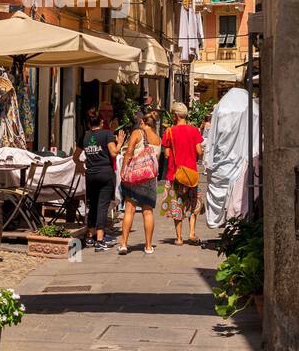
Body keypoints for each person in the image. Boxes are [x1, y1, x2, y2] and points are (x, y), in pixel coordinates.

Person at [203, 84, 260, 227]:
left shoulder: (223, 107)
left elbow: (213, 139)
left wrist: (209, 158)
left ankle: (226, 223)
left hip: (225, 163)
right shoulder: (253, 109)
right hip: (245, 161)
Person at [74, 109, 122, 251]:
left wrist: (81, 166)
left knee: (93, 205)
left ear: (89, 124)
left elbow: (75, 157)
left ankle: (90, 237)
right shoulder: (107, 134)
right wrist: (119, 142)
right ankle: (100, 240)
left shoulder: (85, 136)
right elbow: (113, 153)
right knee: (102, 206)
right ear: (101, 122)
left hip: (91, 174)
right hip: (105, 173)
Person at [118, 111, 162, 255]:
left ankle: (124, 244)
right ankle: (149, 246)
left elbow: (129, 152)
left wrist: (123, 170)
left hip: (135, 177)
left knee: (129, 209)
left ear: (142, 122)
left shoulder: (137, 133)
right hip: (150, 179)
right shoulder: (157, 138)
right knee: (148, 212)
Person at [162, 101, 205, 246]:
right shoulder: (194, 131)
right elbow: (199, 151)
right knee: (193, 203)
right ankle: (192, 232)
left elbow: (167, 154)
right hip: (191, 174)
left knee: (177, 205)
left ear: (175, 115)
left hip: (175, 175)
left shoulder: (169, 132)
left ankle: (179, 238)